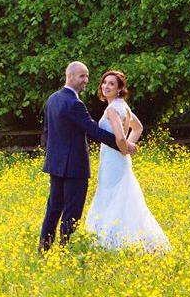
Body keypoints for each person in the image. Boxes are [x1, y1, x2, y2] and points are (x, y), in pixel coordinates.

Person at [37, 61, 137, 254]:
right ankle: (67, 251)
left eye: (88, 76)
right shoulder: (74, 103)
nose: (86, 81)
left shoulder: (52, 99)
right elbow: (94, 131)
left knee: (54, 208)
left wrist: (53, 157)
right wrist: (123, 145)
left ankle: (44, 250)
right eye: (83, 76)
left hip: (56, 165)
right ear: (71, 76)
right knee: (72, 212)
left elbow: (47, 133)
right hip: (74, 167)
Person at [84, 70, 171, 252]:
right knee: (122, 197)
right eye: (104, 82)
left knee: (111, 197)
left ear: (119, 89)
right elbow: (137, 128)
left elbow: (120, 138)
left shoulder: (111, 109)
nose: (106, 86)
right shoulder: (123, 106)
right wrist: (128, 148)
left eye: (112, 84)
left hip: (113, 160)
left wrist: (125, 149)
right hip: (117, 160)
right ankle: (124, 241)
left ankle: (110, 244)